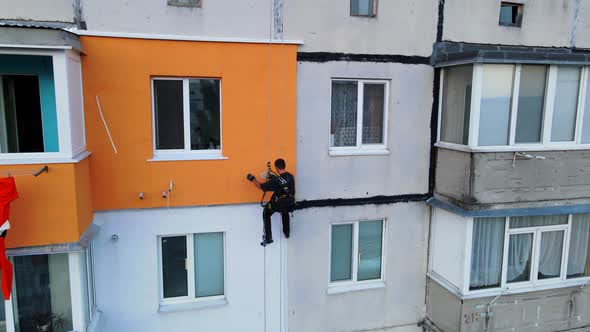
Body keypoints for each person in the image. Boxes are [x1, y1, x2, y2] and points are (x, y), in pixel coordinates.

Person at [247, 158, 295, 246]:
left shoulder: (275, 181)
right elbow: (283, 181)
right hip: (290, 202)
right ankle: (287, 233)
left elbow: (260, 186)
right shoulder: (291, 176)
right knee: (285, 211)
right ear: (284, 166)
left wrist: (252, 178)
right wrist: (274, 178)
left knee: (266, 212)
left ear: (276, 168)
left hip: (279, 203)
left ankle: (268, 238)